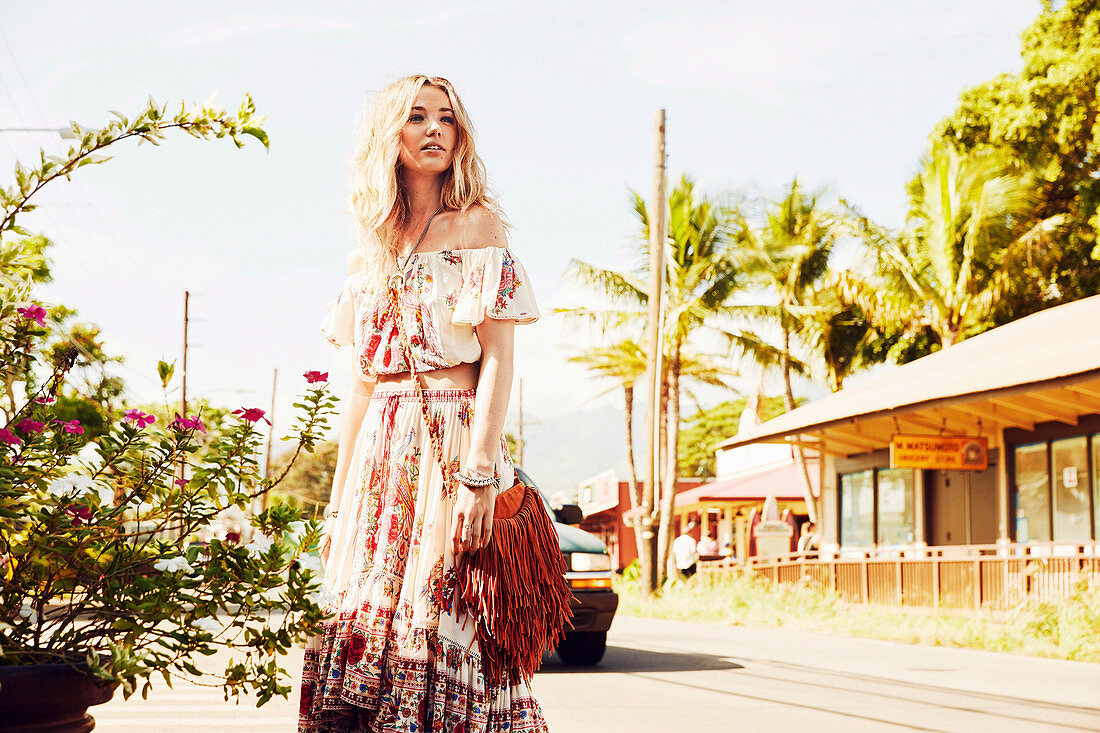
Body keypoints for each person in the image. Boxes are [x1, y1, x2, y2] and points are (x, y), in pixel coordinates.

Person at [298, 75, 546, 732]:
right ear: (391, 135)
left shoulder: (477, 225)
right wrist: (338, 503)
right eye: (416, 117)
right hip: (380, 457)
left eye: (447, 119)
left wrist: (479, 475)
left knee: (448, 624)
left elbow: (498, 357)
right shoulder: (367, 248)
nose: (434, 129)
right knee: (362, 624)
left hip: (453, 443)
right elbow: (358, 388)